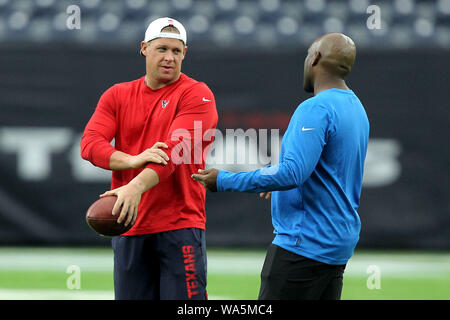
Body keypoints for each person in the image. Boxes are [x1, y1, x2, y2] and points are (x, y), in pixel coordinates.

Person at [192, 33, 369, 300]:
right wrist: (280, 184)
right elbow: (326, 171)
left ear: (316, 59)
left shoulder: (315, 108)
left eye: (309, 53)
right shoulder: (356, 108)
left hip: (303, 246)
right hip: (337, 245)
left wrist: (223, 180)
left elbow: (292, 173)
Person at [80, 17, 218, 300]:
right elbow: (90, 145)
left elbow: (177, 151)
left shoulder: (197, 94)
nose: (169, 58)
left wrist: (134, 187)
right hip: (130, 224)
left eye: (176, 51)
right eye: (162, 49)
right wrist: (131, 160)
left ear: (185, 54)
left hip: (180, 224)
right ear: (144, 48)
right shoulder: (117, 95)